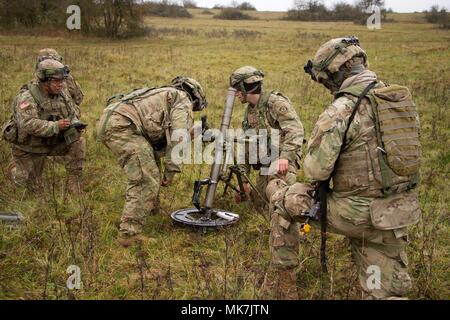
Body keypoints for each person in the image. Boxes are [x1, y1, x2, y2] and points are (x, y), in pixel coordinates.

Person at [263, 36, 422, 300]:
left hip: (358, 214)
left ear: (334, 74)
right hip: (398, 214)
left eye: (325, 80)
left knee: (282, 199)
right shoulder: (398, 101)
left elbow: (315, 171)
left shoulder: (343, 108)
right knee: (385, 292)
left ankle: (282, 289)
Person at [97, 77, 207, 247]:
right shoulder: (182, 99)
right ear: (195, 97)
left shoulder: (163, 94)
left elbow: (158, 140)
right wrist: (171, 171)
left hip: (114, 122)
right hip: (124, 127)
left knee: (150, 166)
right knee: (145, 179)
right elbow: (178, 137)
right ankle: (128, 234)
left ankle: (151, 210)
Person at [3, 59, 86, 194]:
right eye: (57, 81)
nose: (61, 84)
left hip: (51, 141)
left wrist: (73, 124)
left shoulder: (62, 94)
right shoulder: (27, 97)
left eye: (62, 80)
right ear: (44, 81)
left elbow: (73, 112)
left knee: (78, 140)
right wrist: (55, 126)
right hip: (29, 147)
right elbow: (28, 124)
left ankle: (73, 181)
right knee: (29, 188)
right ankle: (14, 169)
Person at [229, 66, 304, 209]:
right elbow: (247, 144)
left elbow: (296, 129)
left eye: (238, 89)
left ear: (247, 87)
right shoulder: (250, 111)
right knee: (259, 206)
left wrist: (285, 157)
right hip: (266, 163)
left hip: (283, 162)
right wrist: (243, 182)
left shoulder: (275, 102)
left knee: (278, 202)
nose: (236, 94)